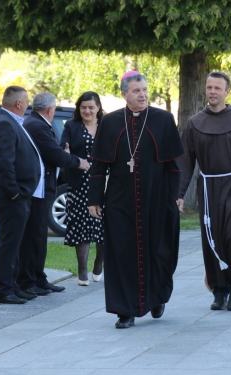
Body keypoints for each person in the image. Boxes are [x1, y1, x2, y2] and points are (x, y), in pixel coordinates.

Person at [88, 72, 184, 329]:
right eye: (136, 91)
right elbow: (98, 166)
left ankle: (157, 297)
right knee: (121, 254)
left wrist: (176, 197)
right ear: (124, 94)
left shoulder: (163, 119)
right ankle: (125, 310)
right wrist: (94, 199)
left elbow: (174, 167)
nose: (142, 95)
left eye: (144, 89)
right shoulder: (109, 122)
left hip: (158, 198)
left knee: (159, 251)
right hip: (120, 201)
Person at [178, 71, 231, 312]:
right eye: (209, 87)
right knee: (211, 239)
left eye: (217, 88)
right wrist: (179, 193)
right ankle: (218, 289)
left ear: (227, 92)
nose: (212, 91)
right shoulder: (194, 123)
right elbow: (185, 162)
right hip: (208, 187)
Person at [17, 93, 89, 296]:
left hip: (42, 188)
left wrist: (63, 153)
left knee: (39, 236)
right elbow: (53, 154)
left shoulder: (36, 123)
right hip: (36, 190)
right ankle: (29, 281)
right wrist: (77, 162)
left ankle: (38, 279)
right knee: (34, 237)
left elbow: (52, 151)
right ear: (50, 110)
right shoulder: (37, 125)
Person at [0, 86, 42, 304]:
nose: (28, 105)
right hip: (12, 196)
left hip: (20, 195)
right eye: (26, 101)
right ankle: (2, 290)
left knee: (16, 242)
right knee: (9, 243)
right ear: (19, 103)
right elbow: (4, 163)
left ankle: (13, 285)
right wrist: (14, 193)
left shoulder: (11, 122)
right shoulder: (4, 123)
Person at [60, 91, 105, 286]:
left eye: (91, 107)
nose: (87, 111)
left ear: (98, 108)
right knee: (81, 227)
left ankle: (99, 264)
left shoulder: (106, 124)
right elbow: (63, 149)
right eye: (83, 107)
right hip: (80, 183)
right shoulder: (71, 126)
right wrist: (68, 155)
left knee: (104, 226)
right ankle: (82, 270)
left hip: (105, 181)